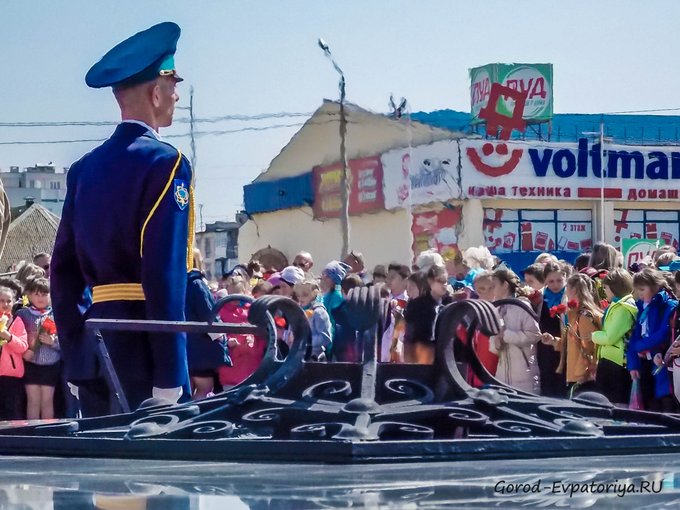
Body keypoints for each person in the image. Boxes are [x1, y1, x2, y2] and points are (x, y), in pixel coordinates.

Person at [51, 22, 193, 415]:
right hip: (145, 348)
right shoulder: (167, 164)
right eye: (174, 85)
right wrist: (169, 375)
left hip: (96, 348)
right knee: (151, 473)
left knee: (100, 471)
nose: (177, 96)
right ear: (156, 91)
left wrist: (78, 354)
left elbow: (63, 274)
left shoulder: (84, 169)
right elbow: (165, 273)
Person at [543, 274, 602, 398]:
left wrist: (582, 374)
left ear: (574, 290)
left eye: (567, 288)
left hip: (582, 377)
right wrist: (554, 341)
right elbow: (572, 344)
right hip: (575, 373)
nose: (566, 292)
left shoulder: (585, 316)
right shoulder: (574, 314)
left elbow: (589, 348)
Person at [627, 268, 678, 412]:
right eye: (637, 290)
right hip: (645, 364)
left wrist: (640, 346)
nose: (639, 294)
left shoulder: (669, 306)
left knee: (666, 401)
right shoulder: (642, 308)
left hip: (662, 362)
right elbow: (634, 337)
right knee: (650, 405)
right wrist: (633, 365)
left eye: (642, 289)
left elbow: (664, 333)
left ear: (655, 287)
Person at [186, 250, 230, 400]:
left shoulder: (176, 284)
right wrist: (220, 337)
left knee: (187, 390)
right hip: (199, 348)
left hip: (183, 345)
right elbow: (209, 313)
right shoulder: (196, 284)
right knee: (204, 389)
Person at [489, 268, 540, 394]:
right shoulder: (496, 308)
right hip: (502, 375)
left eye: (494, 286)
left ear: (505, 285)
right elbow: (492, 341)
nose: (492, 289)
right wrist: (495, 343)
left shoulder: (522, 306)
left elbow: (534, 335)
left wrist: (506, 335)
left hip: (524, 374)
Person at [17, 278, 61, 420]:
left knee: (47, 401)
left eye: (44, 294)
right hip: (30, 364)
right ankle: (33, 433)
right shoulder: (22, 314)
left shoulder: (56, 315)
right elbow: (17, 336)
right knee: (33, 401)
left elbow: (66, 343)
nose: (40, 298)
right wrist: (24, 351)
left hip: (51, 364)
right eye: (36, 294)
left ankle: (47, 434)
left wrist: (53, 342)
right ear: (28, 295)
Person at [591, 269, 637, 405]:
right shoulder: (617, 306)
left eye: (606, 287)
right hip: (610, 361)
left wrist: (593, 336)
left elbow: (610, 337)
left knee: (615, 405)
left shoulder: (623, 309)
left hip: (616, 364)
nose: (604, 291)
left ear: (615, 287)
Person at [403, 265, 452, 365]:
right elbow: (409, 332)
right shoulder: (417, 304)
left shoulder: (450, 303)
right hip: (422, 353)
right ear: (430, 281)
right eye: (440, 281)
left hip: (444, 356)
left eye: (446, 281)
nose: (444, 285)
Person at [537, 262, 568, 397]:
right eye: (551, 281)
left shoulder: (569, 295)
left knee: (562, 382)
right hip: (544, 348)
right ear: (545, 281)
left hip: (564, 346)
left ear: (565, 277)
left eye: (559, 280)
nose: (555, 285)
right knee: (547, 382)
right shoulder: (539, 296)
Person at [0, 286, 28, 420]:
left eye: (8, 301)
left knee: (13, 414)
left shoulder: (17, 322)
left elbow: (23, 346)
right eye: (1, 301)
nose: (5, 304)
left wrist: (8, 336)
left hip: (12, 376)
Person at [294, 281, 332, 361]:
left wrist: (305, 341)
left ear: (314, 294)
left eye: (305, 295)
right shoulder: (298, 311)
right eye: (298, 295)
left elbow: (326, 338)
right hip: (299, 356)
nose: (301, 298)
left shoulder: (319, 312)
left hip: (315, 357)